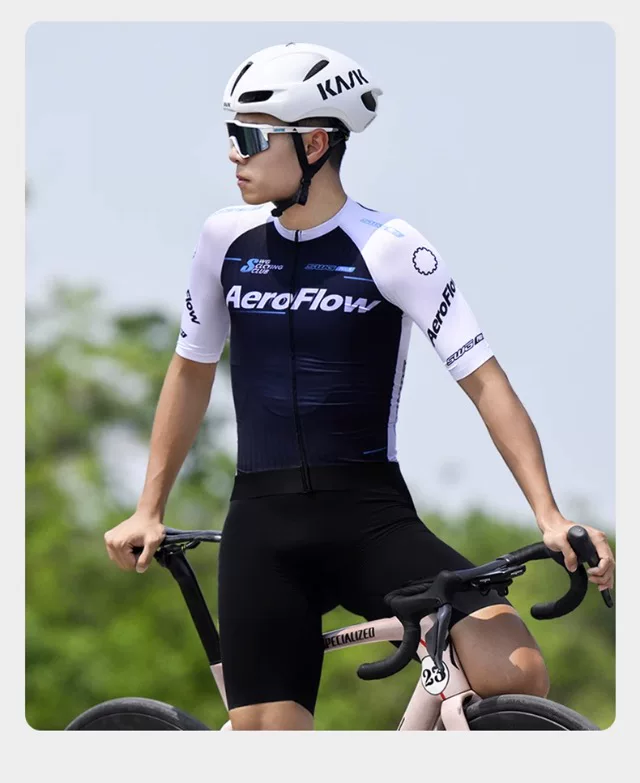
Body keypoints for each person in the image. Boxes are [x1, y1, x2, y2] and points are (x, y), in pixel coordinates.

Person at [104, 42, 615, 731]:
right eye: (231, 133)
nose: (233, 153)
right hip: (263, 529)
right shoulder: (223, 240)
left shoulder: (393, 247)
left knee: (516, 667)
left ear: (315, 143)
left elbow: (486, 383)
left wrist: (549, 515)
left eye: (251, 137)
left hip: (370, 518)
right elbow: (191, 369)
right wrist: (148, 508)